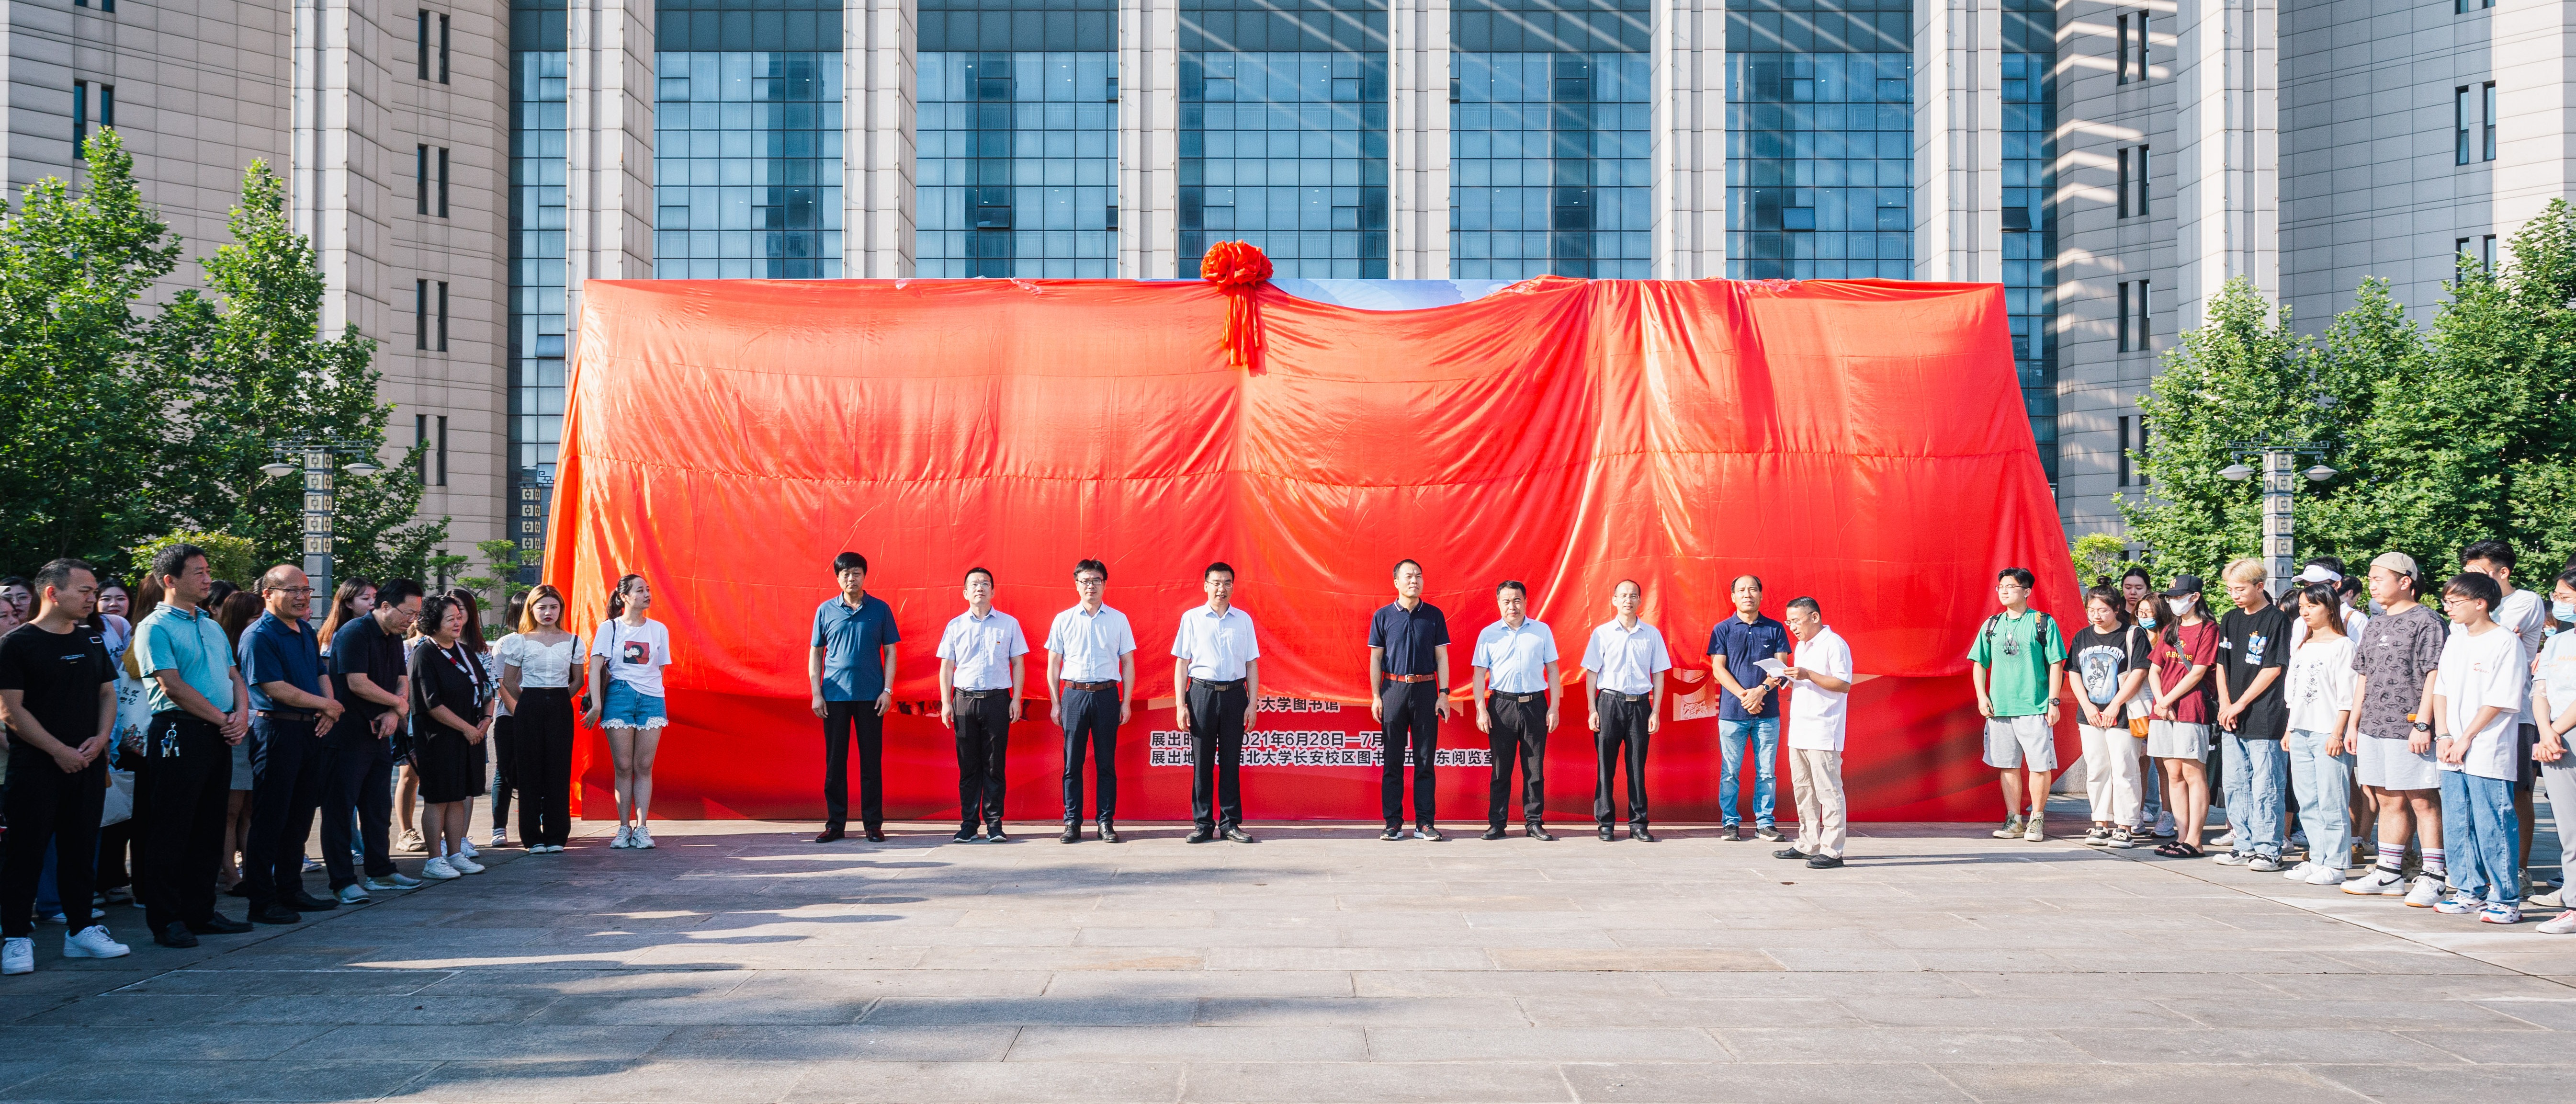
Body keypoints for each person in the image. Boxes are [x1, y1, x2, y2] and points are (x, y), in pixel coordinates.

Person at [0, 559, 132, 974]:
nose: (93, 598)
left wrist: (100, 738)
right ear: (52, 593)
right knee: (25, 852)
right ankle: (16, 937)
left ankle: (81, 929)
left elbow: (107, 693)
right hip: (36, 766)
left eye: (95, 591)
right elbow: (10, 709)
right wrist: (58, 750)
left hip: (88, 761)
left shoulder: (91, 637)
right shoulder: (17, 643)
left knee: (80, 850)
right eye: (85, 591)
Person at [129, 544, 255, 948]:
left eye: (207, 571)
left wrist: (240, 715)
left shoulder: (211, 624)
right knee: (172, 827)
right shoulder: (155, 626)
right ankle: (167, 919)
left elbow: (234, 675)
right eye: (198, 572)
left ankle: (201, 911)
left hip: (220, 730)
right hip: (179, 731)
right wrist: (224, 719)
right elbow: (172, 685)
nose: (207, 579)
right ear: (170, 580)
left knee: (209, 825)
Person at [234, 565, 345, 924]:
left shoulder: (305, 631)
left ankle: (291, 889)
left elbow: (320, 673)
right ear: (268, 594)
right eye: (293, 590)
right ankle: (261, 900)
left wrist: (328, 708)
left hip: (310, 729)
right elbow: (273, 687)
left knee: (299, 817)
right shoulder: (259, 635)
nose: (302, 597)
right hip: (276, 730)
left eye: (306, 590)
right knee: (271, 819)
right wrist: (325, 705)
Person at [2341, 553, 2449, 903]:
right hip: (2373, 725)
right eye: (2370, 579)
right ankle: (2389, 872)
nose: (2372, 585)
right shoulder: (2375, 623)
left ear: (2405, 581)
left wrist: (2424, 722)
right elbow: (2363, 675)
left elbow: (2435, 674)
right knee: (2387, 798)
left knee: (2422, 799)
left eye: (2379, 579)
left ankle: (2434, 875)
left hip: (2410, 726)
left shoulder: (2427, 621)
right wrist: (2354, 723)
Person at [2429, 571, 2530, 923]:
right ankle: (2468, 891)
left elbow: (2500, 699)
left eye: (2454, 602)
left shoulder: (2505, 642)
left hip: (2488, 746)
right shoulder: (2455, 640)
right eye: (2446, 601)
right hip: (2451, 747)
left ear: (2480, 603)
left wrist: (2466, 738)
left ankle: (2506, 898)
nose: (2448, 608)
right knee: (2458, 821)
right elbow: (2440, 690)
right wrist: (2444, 735)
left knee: (2493, 822)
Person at [324, 578, 426, 904]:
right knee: (341, 810)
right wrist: (397, 705)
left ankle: (381, 871)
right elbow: (357, 682)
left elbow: (401, 679)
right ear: (384, 606)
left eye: (416, 615)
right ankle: (343, 880)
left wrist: (395, 711)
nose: (411, 620)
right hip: (348, 735)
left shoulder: (393, 637)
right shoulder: (354, 632)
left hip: (380, 733)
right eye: (407, 613)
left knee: (377, 808)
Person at [2459, 542, 2546, 878]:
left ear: (2503, 572)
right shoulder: (2464, 605)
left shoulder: (2526, 601)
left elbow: (2493, 633)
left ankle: (2518, 870)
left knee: (2517, 791)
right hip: (2467, 710)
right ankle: (2478, 868)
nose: (2470, 581)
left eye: (2478, 574)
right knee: (2473, 792)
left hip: (2514, 712)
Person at [1970, 567, 2066, 842]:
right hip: (2000, 708)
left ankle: (2037, 819)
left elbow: (2057, 663)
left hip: (2035, 706)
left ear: (2027, 591)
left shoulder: (2042, 622)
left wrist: (2053, 701)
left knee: (2039, 765)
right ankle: (2014, 820)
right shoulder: (1992, 624)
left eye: (2010, 586)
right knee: (2007, 765)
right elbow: (1979, 663)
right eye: (2001, 586)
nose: (2004, 591)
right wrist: (1982, 696)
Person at [808, 552, 897, 843]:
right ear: (838, 578)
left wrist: (887, 690)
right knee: (835, 763)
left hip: (871, 697)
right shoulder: (825, 610)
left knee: (871, 763)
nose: (851, 579)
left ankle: (873, 824)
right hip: (834, 697)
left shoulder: (880, 609)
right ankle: (835, 824)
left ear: (864, 576)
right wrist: (817, 693)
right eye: (845, 574)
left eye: (856, 573)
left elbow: (891, 652)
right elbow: (816, 654)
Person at [1044, 559, 1134, 844]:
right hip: (1074, 695)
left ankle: (1105, 822)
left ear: (1105, 584)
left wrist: (1126, 702)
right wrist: (1056, 702)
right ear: (1077, 585)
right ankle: (1072, 822)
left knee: (1106, 763)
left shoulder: (1118, 620)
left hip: (1107, 695)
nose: (1091, 586)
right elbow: (1054, 664)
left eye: (1096, 580)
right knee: (1073, 763)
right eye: (1085, 581)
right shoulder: (1064, 620)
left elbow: (1128, 663)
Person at [937, 567, 1028, 844]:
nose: (980, 588)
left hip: (997, 700)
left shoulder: (1009, 624)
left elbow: (1018, 663)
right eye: (974, 585)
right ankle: (968, 824)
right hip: (964, 700)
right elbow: (947, 666)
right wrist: (946, 703)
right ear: (965, 593)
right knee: (969, 766)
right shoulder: (955, 626)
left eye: (985, 584)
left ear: (993, 591)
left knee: (994, 765)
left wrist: (1016, 698)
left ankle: (994, 824)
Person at [2212, 558, 2293, 871]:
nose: (2235, 595)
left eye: (2241, 589)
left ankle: (2268, 848)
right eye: (2231, 589)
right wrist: (2225, 703)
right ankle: (2243, 844)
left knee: (2266, 784)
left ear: (2260, 586)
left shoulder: (2277, 620)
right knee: (2235, 783)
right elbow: (2221, 664)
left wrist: (2240, 704)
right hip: (2231, 715)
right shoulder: (2230, 618)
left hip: (2265, 714)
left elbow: (2273, 668)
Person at [1172, 562, 1260, 844]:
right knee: (1203, 762)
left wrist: (1253, 703)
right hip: (1201, 693)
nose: (1222, 589)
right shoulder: (1192, 618)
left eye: (1227, 583)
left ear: (1233, 586)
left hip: (1235, 695)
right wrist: (1180, 704)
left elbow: (1251, 664)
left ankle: (1230, 823)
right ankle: (1203, 824)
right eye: (1217, 583)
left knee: (1231, 761)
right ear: (1206, 586)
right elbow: (1182, 664)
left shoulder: (1243, 620)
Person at [409, 594, 495, 880]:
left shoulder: (465, 651)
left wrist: (485, 720)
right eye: (451, 619)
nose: (458, 623)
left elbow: (486, 688)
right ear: (434, 623)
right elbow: (431, 703)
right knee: (439, 799)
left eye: (460, 617)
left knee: (459, 796)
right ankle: (434, 860)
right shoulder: (425, 654)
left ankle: (456, 853)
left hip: (470, 736)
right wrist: (467, 728)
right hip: (439, 738)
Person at [2281, 581, 2360, 886]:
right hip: (2301, 730)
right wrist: (2290, 729)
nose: (2305, 612)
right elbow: (2294, 694)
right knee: (2308, 800)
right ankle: (2317, 858)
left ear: (2330, 608)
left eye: (2312, 606)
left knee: (2332, 799)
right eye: (2302, 607)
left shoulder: (2343, 646)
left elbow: (2347, 696)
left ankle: (2336, 863)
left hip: (2328, 731)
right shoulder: (2304, 644)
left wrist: (2338, 733)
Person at [1368, 559, 1453, 841]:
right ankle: (1393, 822)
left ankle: (1425, 823)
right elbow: (1376, 658)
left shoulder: (1434, 615)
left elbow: (1442, 657)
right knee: (1392, 761)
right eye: (1408, 576)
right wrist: (1376, 696)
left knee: (1425, 761)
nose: (1414, 580)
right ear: (1396, 582)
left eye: (1418, 575)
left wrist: (1444, 694)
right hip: (1393, 690)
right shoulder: (1383, 616)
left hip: (1426, 691)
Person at [1581, 580, 1669, 842]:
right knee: (1605, 766)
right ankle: (1605, 823)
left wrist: (1655, 711)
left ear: (1640, 601)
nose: (1628, 600)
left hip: (1640, 706)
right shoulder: (1602, 633)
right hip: (1609, 703)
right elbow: (1592, 673)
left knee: (1637, 767)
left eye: (1633, 596)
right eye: (1623, 596)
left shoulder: (1651, 634)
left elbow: (1659, 674)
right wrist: (1592, 709)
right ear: (1614, 600)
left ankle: (1638, 823)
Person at [587, 573, 671, 849]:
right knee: (623, 766)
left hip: (652, 699)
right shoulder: (610, 628)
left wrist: (652, 691)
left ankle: (642, 828)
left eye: (648, 589)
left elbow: (660, 668)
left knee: (644, 766)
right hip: (619, 696)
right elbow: (595, 666)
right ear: (624, 597)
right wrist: (597, 704)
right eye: (640, 590)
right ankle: (624, 828)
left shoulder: (659, 629)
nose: (647, 594)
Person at [1471, 580, 1559, 841]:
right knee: (1501, 769)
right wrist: (1481, 709)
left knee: (1534, 770)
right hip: (1502, 706)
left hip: (1535, 705)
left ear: (1526, 602)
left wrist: (1554, 707)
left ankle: (1534, 822)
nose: (1513, 606)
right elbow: (1479, 674)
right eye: (1507, 601)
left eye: (1517, 600)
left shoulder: (1541, 631)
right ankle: (1497, 823)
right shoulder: (1489, 634)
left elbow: (1553, 670)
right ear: (1499, 604)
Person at [1706, 575, 1790, 842]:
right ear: (1733, 597)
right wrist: (1744, 696)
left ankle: (1765, 823)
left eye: (1753, 590)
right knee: (1730, 772)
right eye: (1741, 590)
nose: (1747, 595)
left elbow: (1781, 669)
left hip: (1768, 714)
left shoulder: (1775, 629)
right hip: (1733, 714)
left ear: (1761, 595)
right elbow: (1718, 668)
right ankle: (1730, 822)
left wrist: (1760, 691)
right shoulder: (1723, 629)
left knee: (1767, 772)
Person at [1772, 596, 1854, 869]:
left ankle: (1833, 850)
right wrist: (1786, 678)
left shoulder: (1834, 644)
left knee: (1828, 790)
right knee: (1804, 789)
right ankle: (1808, 843)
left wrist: (1808, 674)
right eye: (1789, 622)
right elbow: (1804, 681)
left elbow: (1843, 684)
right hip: (1800, 728)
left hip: (1824, 729)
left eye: (1796, 621)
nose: (1793, 627)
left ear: (1815, 617)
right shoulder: (1802, 646)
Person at [498, 585, 582, 853]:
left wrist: (557, 698)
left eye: (554, 607)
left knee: (559, 769)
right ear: (531, 609)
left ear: (561, 609)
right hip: (529, 704)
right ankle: (532, 837)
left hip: (560, 704)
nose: (548, 612)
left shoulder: (573, 641)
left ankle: (557, 836)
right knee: (529, 770)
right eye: (542, 607)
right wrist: (530, 702)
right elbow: (509, 682)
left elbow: (578, 680)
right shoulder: (519, 641)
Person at [2068, 585, 2150, 848]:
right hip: (2090, 715)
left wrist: (2116, 704)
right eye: (2091, 610)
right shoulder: (2082, 637)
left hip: (2123, 714)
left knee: (2125, 769)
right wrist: (2087, 706)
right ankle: (2100, 823)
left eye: (2103, 610)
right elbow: (2074, 672)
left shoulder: (2132, 634)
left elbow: (2140, 671)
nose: (2097, 615)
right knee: (2097, 769)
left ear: (2116, 609)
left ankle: (2125, 826)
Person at [2147, 575, 2220, 858]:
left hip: (2191, 708)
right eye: (2171, 597)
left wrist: (2167, 700)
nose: (2174, 602)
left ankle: (2195, 840)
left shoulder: (2209, 629)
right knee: (2173, 773)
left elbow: (2199, 671)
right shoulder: (2171, 628)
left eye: (2179, 596)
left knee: (2193, 772)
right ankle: (2181, 837)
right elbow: (2155, 669)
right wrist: (2161, 702)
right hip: (2163, 711)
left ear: (2195, 597)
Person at [2530, 569, 2576, 933]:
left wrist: (2553, 732)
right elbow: (2540, 690)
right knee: (2569, 829)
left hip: (2561, 734)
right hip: (2556, 742)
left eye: (2565, 597)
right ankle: (2573, 905)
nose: (2557, 603)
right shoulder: (2558, 641)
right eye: (2556, 596)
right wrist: (2546, 732)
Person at [212, 588, 265, 892]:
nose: (261, 622)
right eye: (255, 617)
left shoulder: (260, 644)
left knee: (249, 811)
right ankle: (231, 875)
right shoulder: (224, 651)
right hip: (233, 735)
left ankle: (251, 871)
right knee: (230, 812)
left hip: (257, 736)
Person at [2121, 565, 2170, 838]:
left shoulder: (2169, 638)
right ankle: (2136, 813)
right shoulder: (2131, 634)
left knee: (2164, 764)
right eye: (2141, 613)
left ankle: (2167, 814)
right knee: (2137, 761)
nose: (2144, 617)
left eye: (2149, 613)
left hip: (2162, 706)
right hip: (2136, 707)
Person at [486, 591, 526, 848]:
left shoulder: (550, 640)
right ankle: (499, 828)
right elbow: (502, 684)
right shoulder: (506, 643)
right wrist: (521, 714)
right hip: (509, 717)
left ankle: (539, 824)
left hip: (540, 717)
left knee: (538, 773)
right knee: (504, 771)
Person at [318, 579, 377, 648]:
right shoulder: (339, 635)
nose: (373, 602)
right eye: (366, 598)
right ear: (349, 604)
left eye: (376, 597)